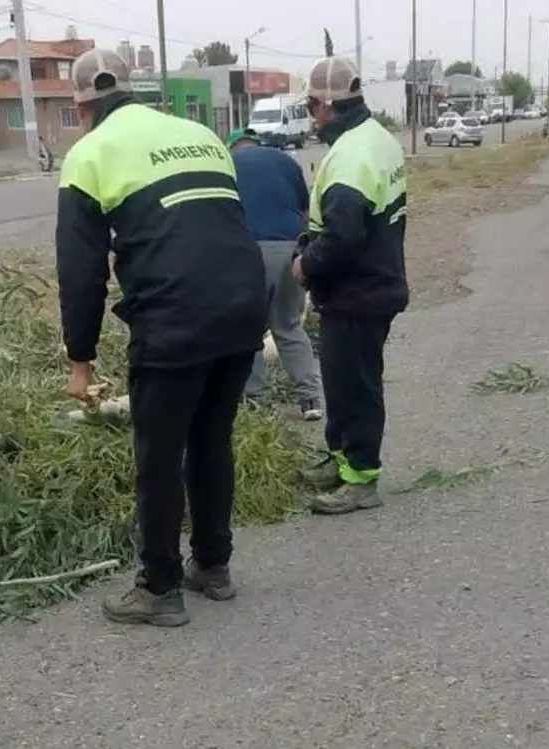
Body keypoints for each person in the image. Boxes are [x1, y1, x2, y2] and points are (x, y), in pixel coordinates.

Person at [56, 49, 268, 627]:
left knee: (159, 454)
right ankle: (214, 567)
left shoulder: (90, 153)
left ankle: (159, 587)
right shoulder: (200, 135)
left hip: (175, 317)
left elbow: (81, 272)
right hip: (243, 307)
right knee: (212, 439)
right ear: (133, 91)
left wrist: (80, 360)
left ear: (81, 105)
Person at [291, 56, 409, 515]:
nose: (311, 118)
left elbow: (342, 238)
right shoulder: (376, 137)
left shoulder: (351, 157)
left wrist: (305, 266)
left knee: (356, 387)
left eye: (310, 108)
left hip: (358, 292)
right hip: (370, 284)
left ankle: (361, 477)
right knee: (340, 382)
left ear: (325, 104)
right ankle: (341, 458)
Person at [225, 126, 325, 421]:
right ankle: (310, 399)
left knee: (248, 328)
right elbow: (305, 211)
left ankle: (255, 401)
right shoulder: (285, 161)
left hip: (248, 250)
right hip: (291, 248)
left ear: (232, 146)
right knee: (289, 325)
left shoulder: (226, 165)